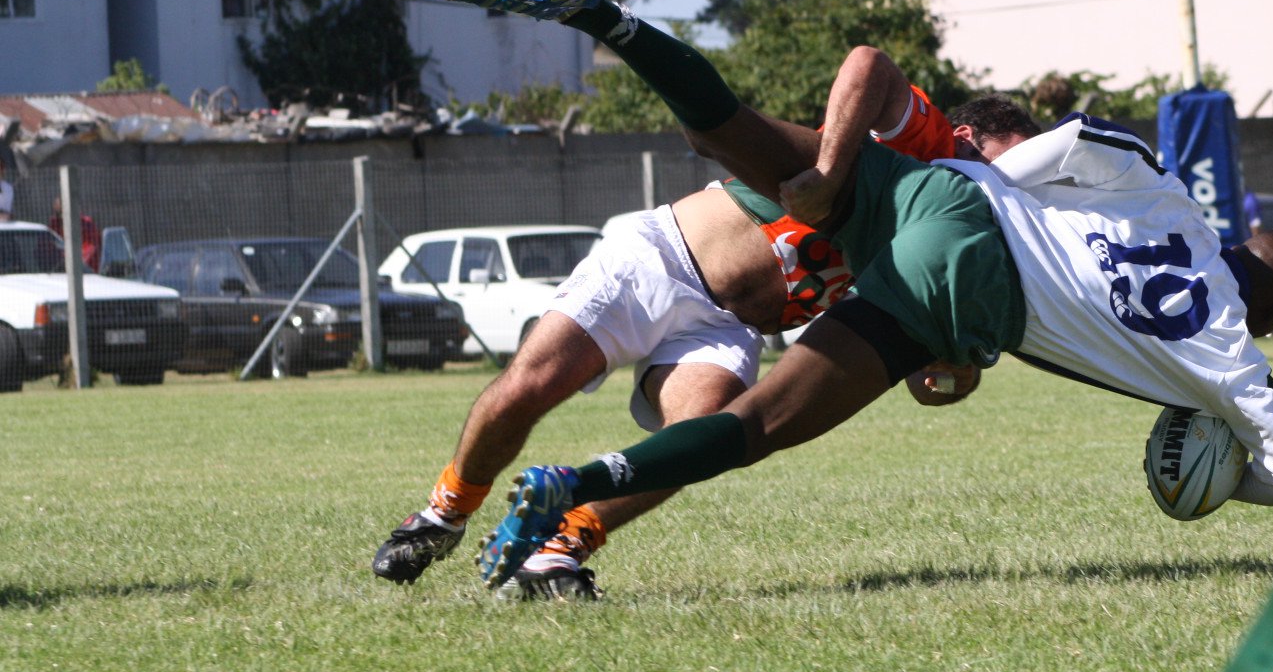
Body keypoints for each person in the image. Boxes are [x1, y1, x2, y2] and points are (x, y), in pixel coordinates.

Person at [433, 0, 1273, 587]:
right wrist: (1219, 464)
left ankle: (604, 15)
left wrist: (983, 187)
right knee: (756, 428)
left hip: (933, 217)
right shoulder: (1226, 355)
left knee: (727, 139)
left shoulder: (1162, 200)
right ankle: (569, 491)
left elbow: (1087, 145)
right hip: (931, 263)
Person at [371, 47, 1042, 599]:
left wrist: (941, 372)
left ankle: (558, 550)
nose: (1001, 186)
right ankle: (444, 512)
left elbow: (925, 355)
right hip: (664, 261)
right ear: (964, 138)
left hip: (730, 328)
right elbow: (866, 64)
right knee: (530, 385)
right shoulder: (924, 147)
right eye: (1000, 163)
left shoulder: (961, 229)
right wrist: (832, 170)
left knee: (700, 441)